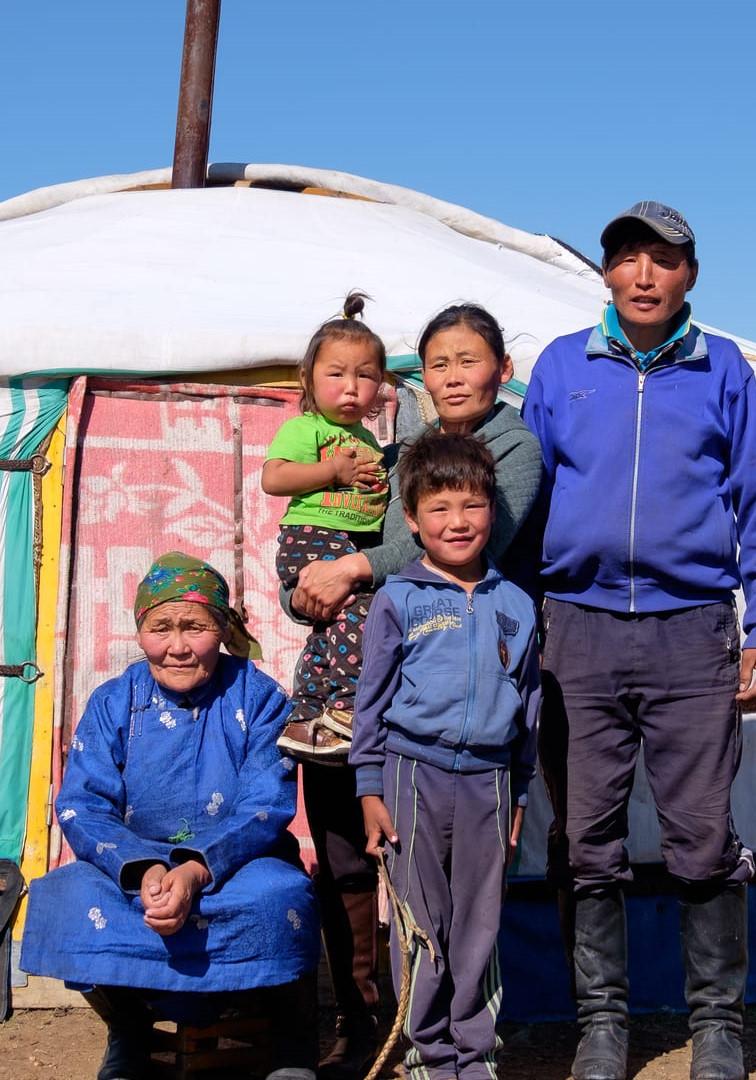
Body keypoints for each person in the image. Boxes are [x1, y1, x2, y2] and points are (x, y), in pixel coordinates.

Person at [521, 202, 756, 1080]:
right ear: (605, 273)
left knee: (701, 835)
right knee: (586, 835)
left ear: (689, 276)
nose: (645, 275)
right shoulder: (563, 365)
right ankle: (601, 1025)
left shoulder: (724, 371)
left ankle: (716, 1025)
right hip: (578, 628)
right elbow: (522, 502)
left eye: (664, 260)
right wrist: (515, 617)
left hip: (692, 631)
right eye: (629, 258)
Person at [284, 302, 543, 1079]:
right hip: (404, 754)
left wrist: (347, 568)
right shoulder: (400, 452)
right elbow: (387, 537)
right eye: (438, 362)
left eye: (470, 359)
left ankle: (469, 1051)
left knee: (474, 920)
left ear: (502, 367)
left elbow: (418, 547)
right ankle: (405, 1039)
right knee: (405, 906)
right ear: (421, 378)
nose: (454, 375)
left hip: (483, 751)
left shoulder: (513, 451)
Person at [20, 553, 320, 1080]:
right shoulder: (114, 701)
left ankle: (292, 1042)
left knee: (282, 898)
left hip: (240, 862)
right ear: (141, 634)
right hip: (137, 866)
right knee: (65, 895)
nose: (177, 646)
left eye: (194, 627)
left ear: (222, 631)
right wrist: (142, 870)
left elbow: (265, 805)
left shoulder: (262, 697)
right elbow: (83, 803)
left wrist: (195, 868)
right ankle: (130, 1029)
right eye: (161, 627)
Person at [351, 430, 541, 1080]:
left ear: (492, 509)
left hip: (489, 780)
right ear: (412, 520)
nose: (457, 522)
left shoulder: (516, 605)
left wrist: (518, 793)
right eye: (439, 508)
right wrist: (369, 788)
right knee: (421, 923)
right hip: (410, 775)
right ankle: (428, 1055)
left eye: (472, 505)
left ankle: (476, 1057)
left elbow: (530, 708)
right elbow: (370, 703)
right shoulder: (397, 599)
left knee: (480, 925)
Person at [263, 290, 392, 763]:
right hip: (311, 537)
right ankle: (346, 710)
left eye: (365, 376)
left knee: (329, 630)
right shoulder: (306, 428)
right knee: (362, 612)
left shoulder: (368, 440)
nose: (351, 387)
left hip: (346, 541)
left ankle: (306, 715)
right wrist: (331, 472)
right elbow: (272, 478)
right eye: (336, 374)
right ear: (309, 379)